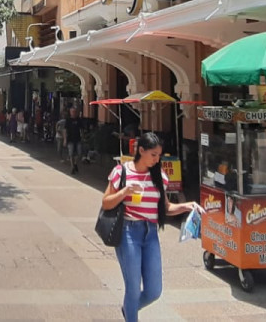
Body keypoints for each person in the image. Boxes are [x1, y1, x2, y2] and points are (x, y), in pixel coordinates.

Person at [103, 132, 200, 322]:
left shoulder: (160, 176)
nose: (157, 160)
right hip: (128, 232)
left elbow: (165, 208)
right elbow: (106, 203)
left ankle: (129, 309)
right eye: (153, 155)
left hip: (151, 234)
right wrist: (124, 192)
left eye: (159, 155)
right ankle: (132, 316)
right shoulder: (121, 172)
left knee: (154, 291)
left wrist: (187, 206)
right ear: (141, 151)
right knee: (132, 288)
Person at [64, 108, 83, 175]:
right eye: (72, 112)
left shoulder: (79, 120)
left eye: (75, 112)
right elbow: (65, 130)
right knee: (71, 153)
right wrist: (65, 139)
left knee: (79, 153)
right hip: (70, 139)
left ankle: (75, 163)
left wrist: (82, 136)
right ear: (70, 112)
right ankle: (72, 167)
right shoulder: (68, 120)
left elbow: (81, 129)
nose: (74, 113)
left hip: (78, 139)